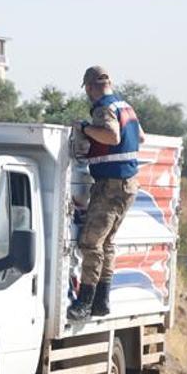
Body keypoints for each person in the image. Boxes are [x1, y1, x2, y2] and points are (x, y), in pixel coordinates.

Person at [67, 65, 145, 321]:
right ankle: (102, 301)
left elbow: (111, 136)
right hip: (127, 185)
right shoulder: (126, 107)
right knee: (108, 243)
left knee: (91, 243)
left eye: (87, 89)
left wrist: (86, 128)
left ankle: (85, 302)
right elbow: (140, 137)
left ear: (90, 87)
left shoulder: (104, 108)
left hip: (110, 185)